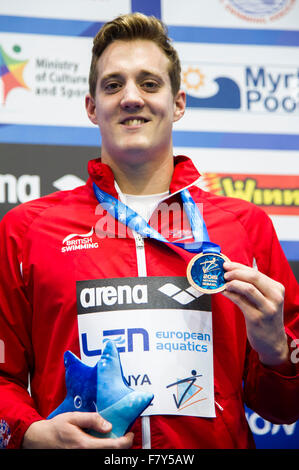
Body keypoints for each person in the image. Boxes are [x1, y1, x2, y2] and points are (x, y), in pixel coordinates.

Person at [0, 13, 298, 450]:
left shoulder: (245, 227)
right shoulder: (26, 230)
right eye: (113, 84)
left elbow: (284, 409)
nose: (131, 98)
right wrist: (28, 434)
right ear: (91, 107)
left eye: (150, 83)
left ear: (178, 103)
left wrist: (276, 352)